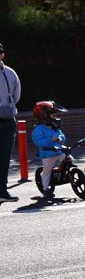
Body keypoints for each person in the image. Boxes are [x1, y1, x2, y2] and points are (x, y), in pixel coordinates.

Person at [31, 101, 66, 199]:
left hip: (58, 151)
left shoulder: (54, 127)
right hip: (47, 154)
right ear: (44, 116)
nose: (56, 117)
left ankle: (63, 175)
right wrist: (50, 139)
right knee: (46, 171)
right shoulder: (39, 129)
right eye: (53, 115)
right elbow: (38, 141)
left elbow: (62, 135)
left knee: (69, 159)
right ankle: (46, 189)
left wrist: (61, 139)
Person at [0, 42, 21, 203]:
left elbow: (16, 95)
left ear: (2, 55)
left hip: (7, 119)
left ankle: (2, 189)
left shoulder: (10, 73)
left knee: (5, 156)